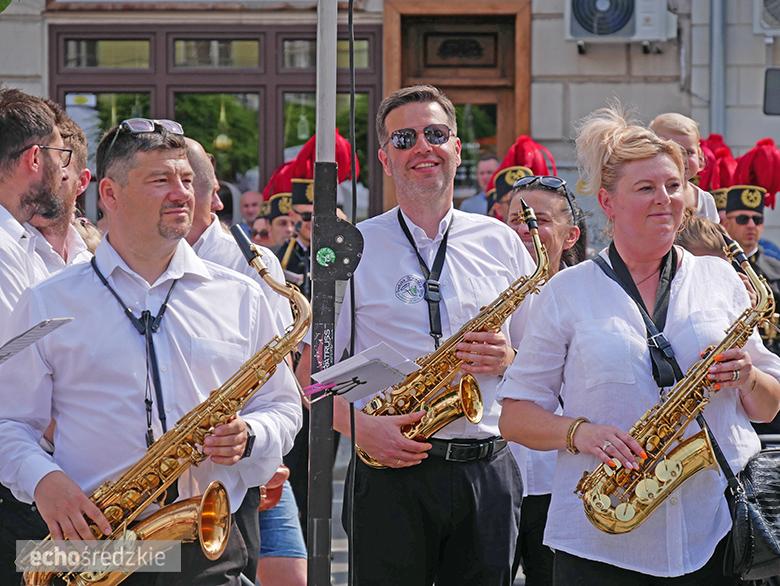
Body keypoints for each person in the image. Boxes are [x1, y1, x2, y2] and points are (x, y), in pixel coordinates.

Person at [0, 119, 302, 585]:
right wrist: (43, 480)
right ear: (110, 194)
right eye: (160, 180)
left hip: (211, 539)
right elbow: (10, 422)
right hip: (94, 542)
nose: (181, 193)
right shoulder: (47, 301)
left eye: (185, 179)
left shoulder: (243, 295)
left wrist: (252, 434)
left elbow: (282, 406)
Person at [497, 105, 780, 585]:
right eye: (646, 188)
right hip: (600, 539)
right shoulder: (566, 292)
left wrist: (748, 377)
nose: (665, 199)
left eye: (674, 186)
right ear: (607, 203)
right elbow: (515, 416)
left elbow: (769, 406)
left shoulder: (719, 279)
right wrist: (579, 433)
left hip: (718, 531)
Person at [333, 85, 535, 585]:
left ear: (457, 147)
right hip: (388, 470)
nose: (422, 147)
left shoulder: (501, 241)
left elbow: (545, 357)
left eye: (435, 134)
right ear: (384, 158)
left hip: (487, 470)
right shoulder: (354, 247)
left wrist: (509, 357)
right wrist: (360, 428)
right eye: (404, 138)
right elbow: (306, 379)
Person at [183, 136, 305, 584]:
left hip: (232, 465)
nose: (218, 202)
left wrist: (261, 442)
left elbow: (277, 375)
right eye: (208, 189)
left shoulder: (250, 261)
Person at [504, 175, 588, 586]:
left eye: (535, 221)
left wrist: (511, 360)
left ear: (570, 236)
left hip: (561, 475)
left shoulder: (591, 294)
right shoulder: (482, 287)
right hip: (496, 471)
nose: (522, 231)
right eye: (514, 221)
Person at [0, 88, 70, 335]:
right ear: (35, 158)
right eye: (61, 155)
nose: (64, 172)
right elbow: (22, 356)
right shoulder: (3, 247)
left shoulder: (21, 240)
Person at [27, 106, 92, 272]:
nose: (43, 184)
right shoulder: (9, 251)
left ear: (82, 182)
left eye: (57, 171)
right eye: (34, 168)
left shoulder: (88, 263)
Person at [649, 112, 719, 222]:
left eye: (689, 152)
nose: (682, 159)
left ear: (699, 155)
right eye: (673, 151)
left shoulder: (705, 201)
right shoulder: (647, 194)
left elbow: (713, 237)